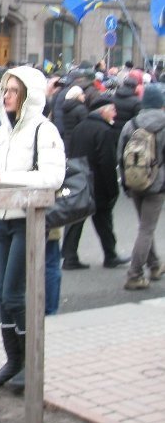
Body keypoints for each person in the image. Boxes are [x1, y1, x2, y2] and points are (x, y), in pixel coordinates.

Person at [0, 67, 65, 393]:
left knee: (14, 295)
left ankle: (30, 363)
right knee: (3, 295)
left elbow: (53, 177)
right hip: (2, 219)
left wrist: (7, 180)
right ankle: (13, 361)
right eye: (5, 90)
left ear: (29, 95)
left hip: (27, 220)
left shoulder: (44, 130)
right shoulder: (4, 130)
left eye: (14, 90)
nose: (6, 96)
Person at [62, 97, 128, 270]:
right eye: (112, 110)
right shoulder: (104, 130)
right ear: (103, 111)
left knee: (76, 219)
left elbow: (71, 153)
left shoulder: (79, 128)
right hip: (98, 183)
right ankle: (110, 255)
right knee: (103, 220)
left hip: (79, 180)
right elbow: (107, 162)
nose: (115, 113)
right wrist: (113, 189)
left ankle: (69, 257)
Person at [119, 84, 165, 290]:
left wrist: (125, 183)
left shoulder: (131, 124)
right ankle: (134, 274)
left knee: (145, 226)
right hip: (157, 183)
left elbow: (120, 156)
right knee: (147, 228)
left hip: (135, 181)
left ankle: (154, 265)